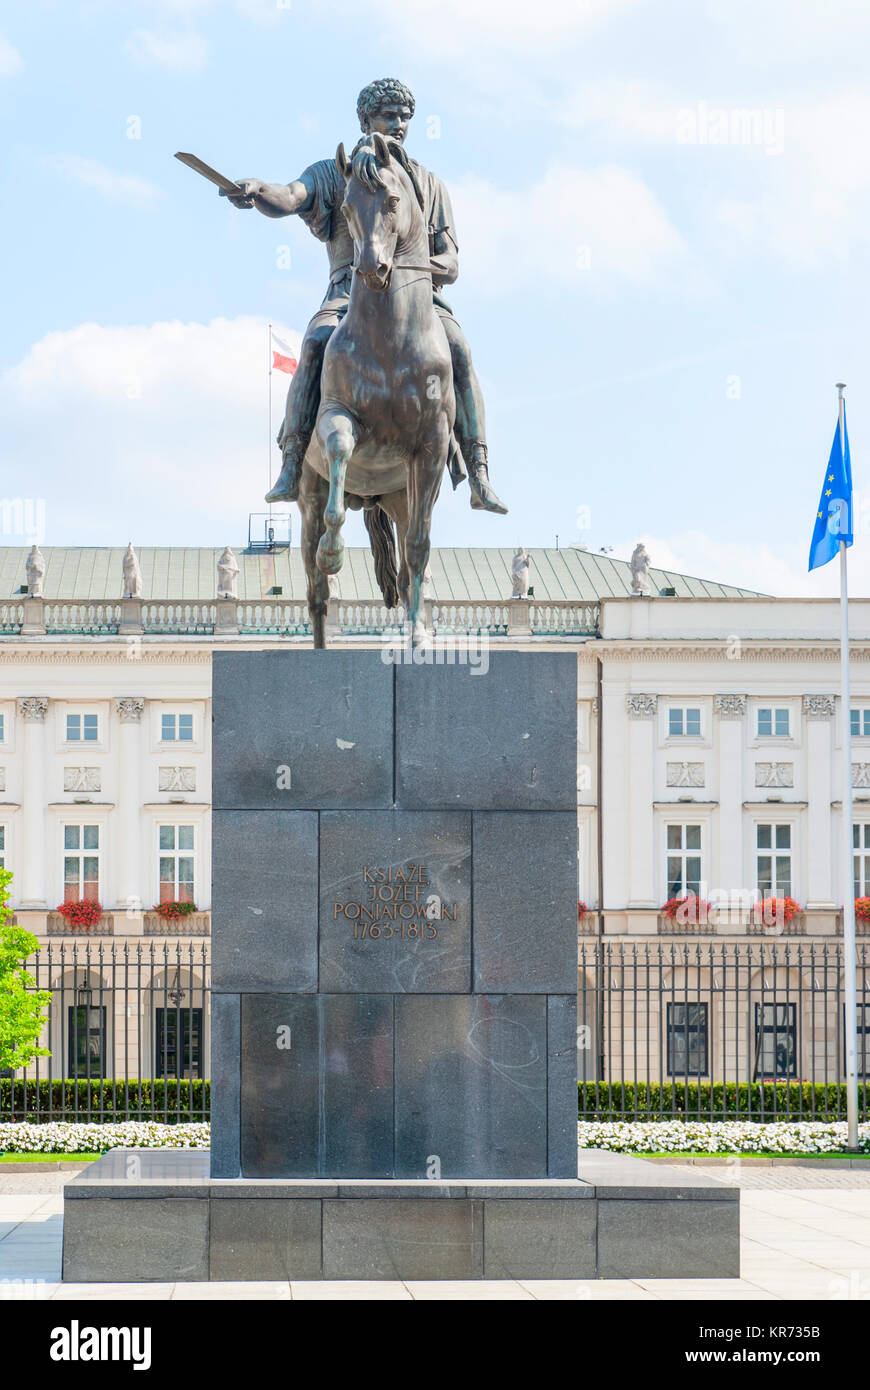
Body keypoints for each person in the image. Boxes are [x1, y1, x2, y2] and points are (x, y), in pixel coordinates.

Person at [225, 77, 506, 514]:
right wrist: (260, 190)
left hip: (420, 301)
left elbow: (450, 260)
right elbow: (290, 197)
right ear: (365, 119)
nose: (395, 124)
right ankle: (293, 458)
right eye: (386, 116)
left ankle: (479, 470)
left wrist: (432, 268)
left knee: (460, 350)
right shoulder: (332, 174)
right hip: (347, 295)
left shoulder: (429, 186)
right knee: (316, 342)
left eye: (403, 118)